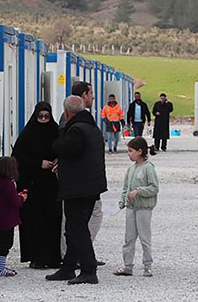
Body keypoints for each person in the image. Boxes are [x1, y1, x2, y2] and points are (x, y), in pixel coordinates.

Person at [47, 95, 107, 285]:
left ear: (66, 112)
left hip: (78, 188)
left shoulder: (76, 130)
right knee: (74, 228)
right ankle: (68, 267)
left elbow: (64, 149)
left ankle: (89, 269)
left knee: (76, 228)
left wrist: (57, 139)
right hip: (91, 186)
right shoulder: (92, 128)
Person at [12, 101, 62, 270]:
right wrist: (38, 163)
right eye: (40, 116)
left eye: (46, 116)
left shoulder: (56, 132)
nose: (43, 119)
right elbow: (17, 158)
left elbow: (63, 150)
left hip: (51, 184)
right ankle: (36, 257)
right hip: (32, 184)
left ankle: (53, 257)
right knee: (34, 221)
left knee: (52, 220)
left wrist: (57, 161)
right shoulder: (27, 134)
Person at [114, 137, 159, 277]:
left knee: (145, 237)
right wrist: (122, 201)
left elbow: (154, 188)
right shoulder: (131, 169)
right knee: (129, 238)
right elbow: (126, 187)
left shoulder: (148, 168)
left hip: (144, 208)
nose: (128, 154)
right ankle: (128, 266)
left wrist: (139, 191)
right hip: (131, 207)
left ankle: (147, 266)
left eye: (130, 151)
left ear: (140, 151)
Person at [0, 156, 27, 277]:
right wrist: (22, 197)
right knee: (6, 243)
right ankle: (1, 269)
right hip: (7, 218)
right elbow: (15, 202)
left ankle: (2, 266)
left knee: (2, 241)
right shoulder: (8, 184)